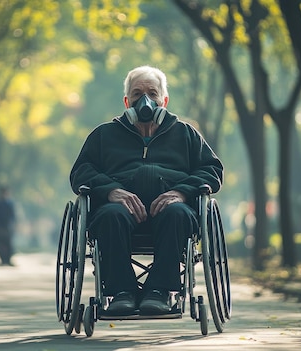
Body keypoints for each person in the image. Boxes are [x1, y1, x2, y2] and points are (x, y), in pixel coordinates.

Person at [69, 65, 224, 316]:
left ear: (164, 100)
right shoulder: (103, 135)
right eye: (138, 93)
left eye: (152, 93)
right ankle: (122, 292)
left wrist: (182, 192)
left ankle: (158, 292)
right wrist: (110, 190)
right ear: (127, 100)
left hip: (172, 212)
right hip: (117, 211)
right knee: (110, 216)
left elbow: (212, 170)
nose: (145, 100)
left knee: (179, 214)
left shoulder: (185, 134)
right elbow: (80, 172)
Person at [0, 186, 16, 266]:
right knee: (1, 243)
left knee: (8, 243)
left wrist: (13, 224)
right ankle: (2, 259)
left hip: (7, 226)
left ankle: (8, 259)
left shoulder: (9, 204)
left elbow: (12, 216)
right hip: (0, 226)